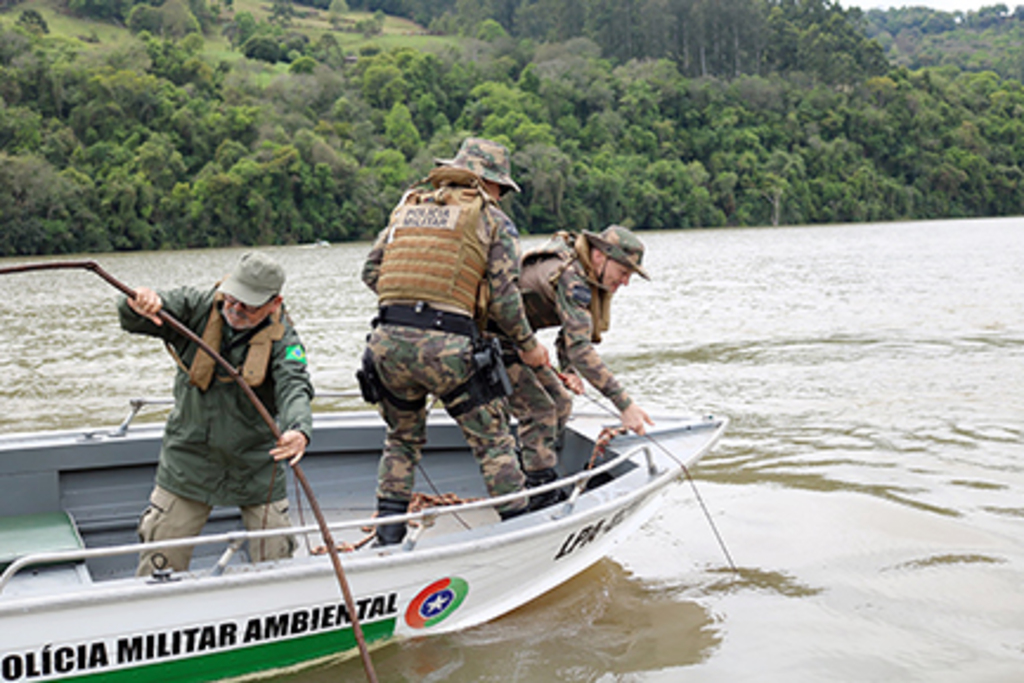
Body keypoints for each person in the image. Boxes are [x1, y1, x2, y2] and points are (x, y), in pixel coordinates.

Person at [360, 137, 549, 545]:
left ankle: (387, 538)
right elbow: (505, 299)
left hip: (386, 343)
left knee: (401, 439)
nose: (501, 196)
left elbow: (370, 273)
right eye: (500, 188)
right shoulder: (492, 219)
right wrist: (530, 346)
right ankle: (524, 534)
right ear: (486, 182)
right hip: (449, 351)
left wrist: (413, 307)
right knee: (494, 441)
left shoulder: (409, 206)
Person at [118, 251, 313, 576]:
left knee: (276, 554)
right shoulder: (196, 305)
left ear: (274, 303)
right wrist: (138, 302)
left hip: (256, 462)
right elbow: (135, 318)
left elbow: (295, 385)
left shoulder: (286, 341)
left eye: (248, 305)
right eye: (232, 298)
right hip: (190, 457)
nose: (235, 309)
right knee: (160, 557)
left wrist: (298, 430)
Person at [501, 225, 654, 509]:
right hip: (491, 337)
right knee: (541, 410)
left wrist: (568, 370)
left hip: (516, 340)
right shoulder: (575, 280)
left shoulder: (580, 271)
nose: (625, 282)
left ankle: (535, 475)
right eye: (623, 273)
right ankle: (540, 495)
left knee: (560, 400)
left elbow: (570, 335)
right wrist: (625, 405)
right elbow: (582, 350)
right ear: (599, 256)